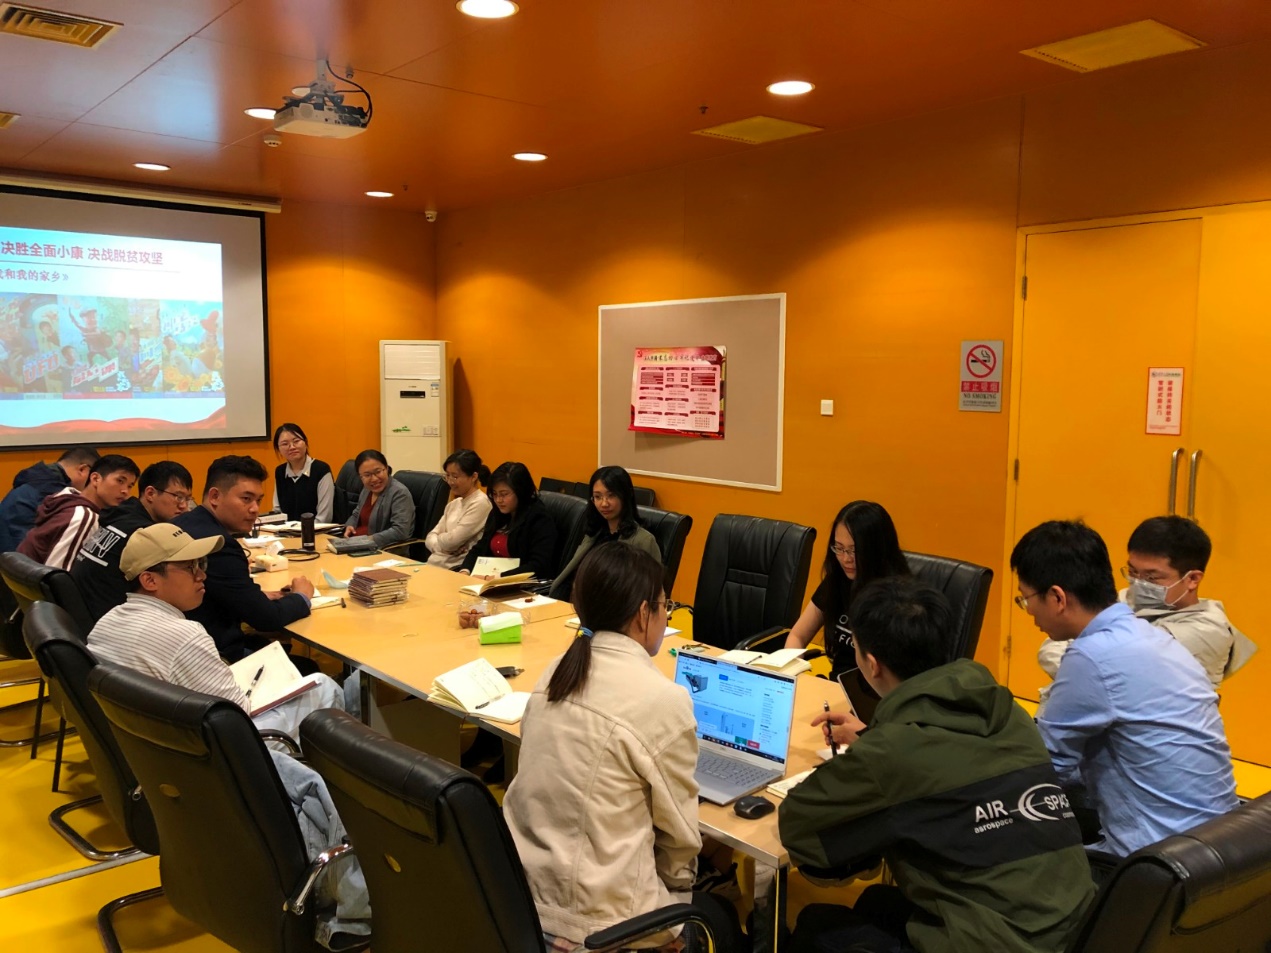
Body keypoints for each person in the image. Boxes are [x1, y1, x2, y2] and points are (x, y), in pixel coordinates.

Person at [780, 577, 1094, 953]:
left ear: (872, 664)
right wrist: (873, 741)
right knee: (876, 902)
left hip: (998, 942)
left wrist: (870, 761)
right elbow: (947, 769)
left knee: (816, 923)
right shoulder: (1008, 712)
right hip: (1076, 928)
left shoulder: (892, 752)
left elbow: (797, 824)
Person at [503, 543, 744, 953]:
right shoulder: (662, 699)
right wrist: (673, 904)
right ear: (642, 614)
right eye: (665, 606)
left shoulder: (554, 673)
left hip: (523, 902)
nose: (666, 615)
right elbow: (680, 841)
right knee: (721, 918)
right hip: (604, 927)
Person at [1011, 519, 1239, 858]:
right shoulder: (1148, 635)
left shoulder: (1093, 654)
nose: (1028, 610)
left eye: (1025, 598)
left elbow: (1043, 768)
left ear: (1057, 597)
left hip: (1157, 860)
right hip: (1215, 844)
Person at [88, 524, 346, 740]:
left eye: (201, 564)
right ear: (150, 580)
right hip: (218, 750)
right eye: (190, 567)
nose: (202, 575)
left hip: (150, 746)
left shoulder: (104, 625)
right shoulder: (184, 636)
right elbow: (239, 715)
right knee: (323, 686)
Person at [1038, 515, 1256, 694]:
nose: (1139, 583)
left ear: (1192, 579)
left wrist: (1078, 661)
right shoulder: (1126, 598)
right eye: (1133, 572)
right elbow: (1053, 645)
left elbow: (1113, 674)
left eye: (1152, 577)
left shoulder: (1207, 630)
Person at [176, 456, 318, 668]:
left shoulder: (184, 522)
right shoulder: (219, 544)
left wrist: (253, 596)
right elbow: (266, 618)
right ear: (214, 496)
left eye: (258, 500)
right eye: (246, 499)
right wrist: (301, 596)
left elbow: (220, 593)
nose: (254, 509)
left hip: (187, 646)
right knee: (308, 668)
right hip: (215, 658)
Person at [783, 500, 910, 721]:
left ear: (876, 550)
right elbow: (798, 635)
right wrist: (791, 678)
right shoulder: (838, 581)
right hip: (835, 692)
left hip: (876, 704)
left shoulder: (897, 598)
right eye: (839, 548)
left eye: (853, 550)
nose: (845, 559)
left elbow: (897, 680)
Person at [72, 460, 195, 619]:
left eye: (188, 499)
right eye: (178, 497)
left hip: (79, 615)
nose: (184, 506)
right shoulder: (142, 534)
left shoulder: (119, 517)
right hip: (106, 622)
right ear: (150, 493)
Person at [549, 465, 660, 601]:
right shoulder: (593, 534)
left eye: (611, 495)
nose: (604, 503)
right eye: (598, 497)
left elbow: (651, 593)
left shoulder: (643, 540)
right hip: (570, 605)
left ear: (626, 495)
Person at [18, 454, 138, 570]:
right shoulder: (84, 517)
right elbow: (57, 574)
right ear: (95, 479)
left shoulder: (66, 497)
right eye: (120, 481)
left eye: (130, 486)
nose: (125, 491)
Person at [459, 461, 558, 579]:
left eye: (504, 494)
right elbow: (481, 547)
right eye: (495, 494)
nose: (498, 500)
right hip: (490, 578)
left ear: (520, 492)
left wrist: (497, 578)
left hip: (522, 584)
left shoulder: (539, 518)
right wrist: (465, 571)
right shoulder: (498, 513)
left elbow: (538, 565)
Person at [0, 445, 99, 551]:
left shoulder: (37, 479)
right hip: (15, 553)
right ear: (83, 469)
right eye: (93, 477)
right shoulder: (53, 492)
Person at [425, 449, 492, 569]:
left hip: (456, 568)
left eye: (455, 477)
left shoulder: (481, 503)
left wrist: (443, 541)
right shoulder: (453, 504)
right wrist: (444, 548)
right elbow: (430, 537)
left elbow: (452, 542)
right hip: (434, 565)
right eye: (447, 475)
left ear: (473, 476)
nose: (450, 482)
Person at [341, 450, 414, 549]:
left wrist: (367, 540)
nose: (374, 479)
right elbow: (357, 513)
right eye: (367, 475)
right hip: (356, 545)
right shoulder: (367, 489)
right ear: (360, 477)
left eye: (378, 472)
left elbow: (400, 531)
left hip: (382, 551)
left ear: (386, 468)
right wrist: (350, 525)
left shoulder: (399, 493)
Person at [270, 423, 335, 522]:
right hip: (286, 530)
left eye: (296, 441)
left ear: (305, 442)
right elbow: (277, 510)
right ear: (278, 448)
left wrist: (305, 530)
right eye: (285, 444)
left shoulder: (321, 470)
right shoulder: (280, 472)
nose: (292, 447)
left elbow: (324, 518)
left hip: (315, 529)